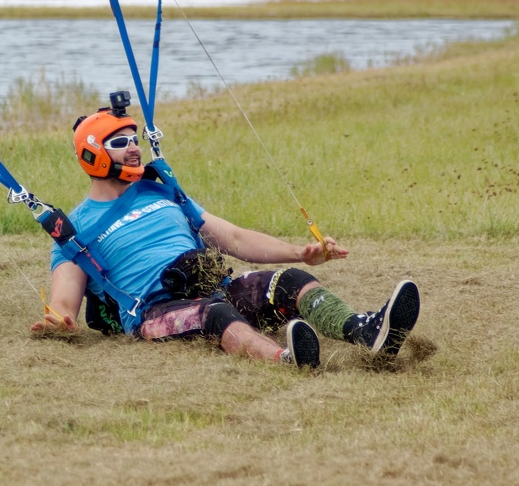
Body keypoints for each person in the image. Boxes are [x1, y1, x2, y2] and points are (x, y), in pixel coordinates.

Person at [31, 93, 421, 369]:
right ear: (92, 153)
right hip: (154, 311)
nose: (134, 148)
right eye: (120, 143)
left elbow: (233, 239)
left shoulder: (161, 191)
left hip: (212, 283)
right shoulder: (75, 230)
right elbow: (65, 302)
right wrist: (59, 321)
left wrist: (300, 252)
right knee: (215, 312)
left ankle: (365, 332)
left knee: (292, 280)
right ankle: (285, 359)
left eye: (134, 140)